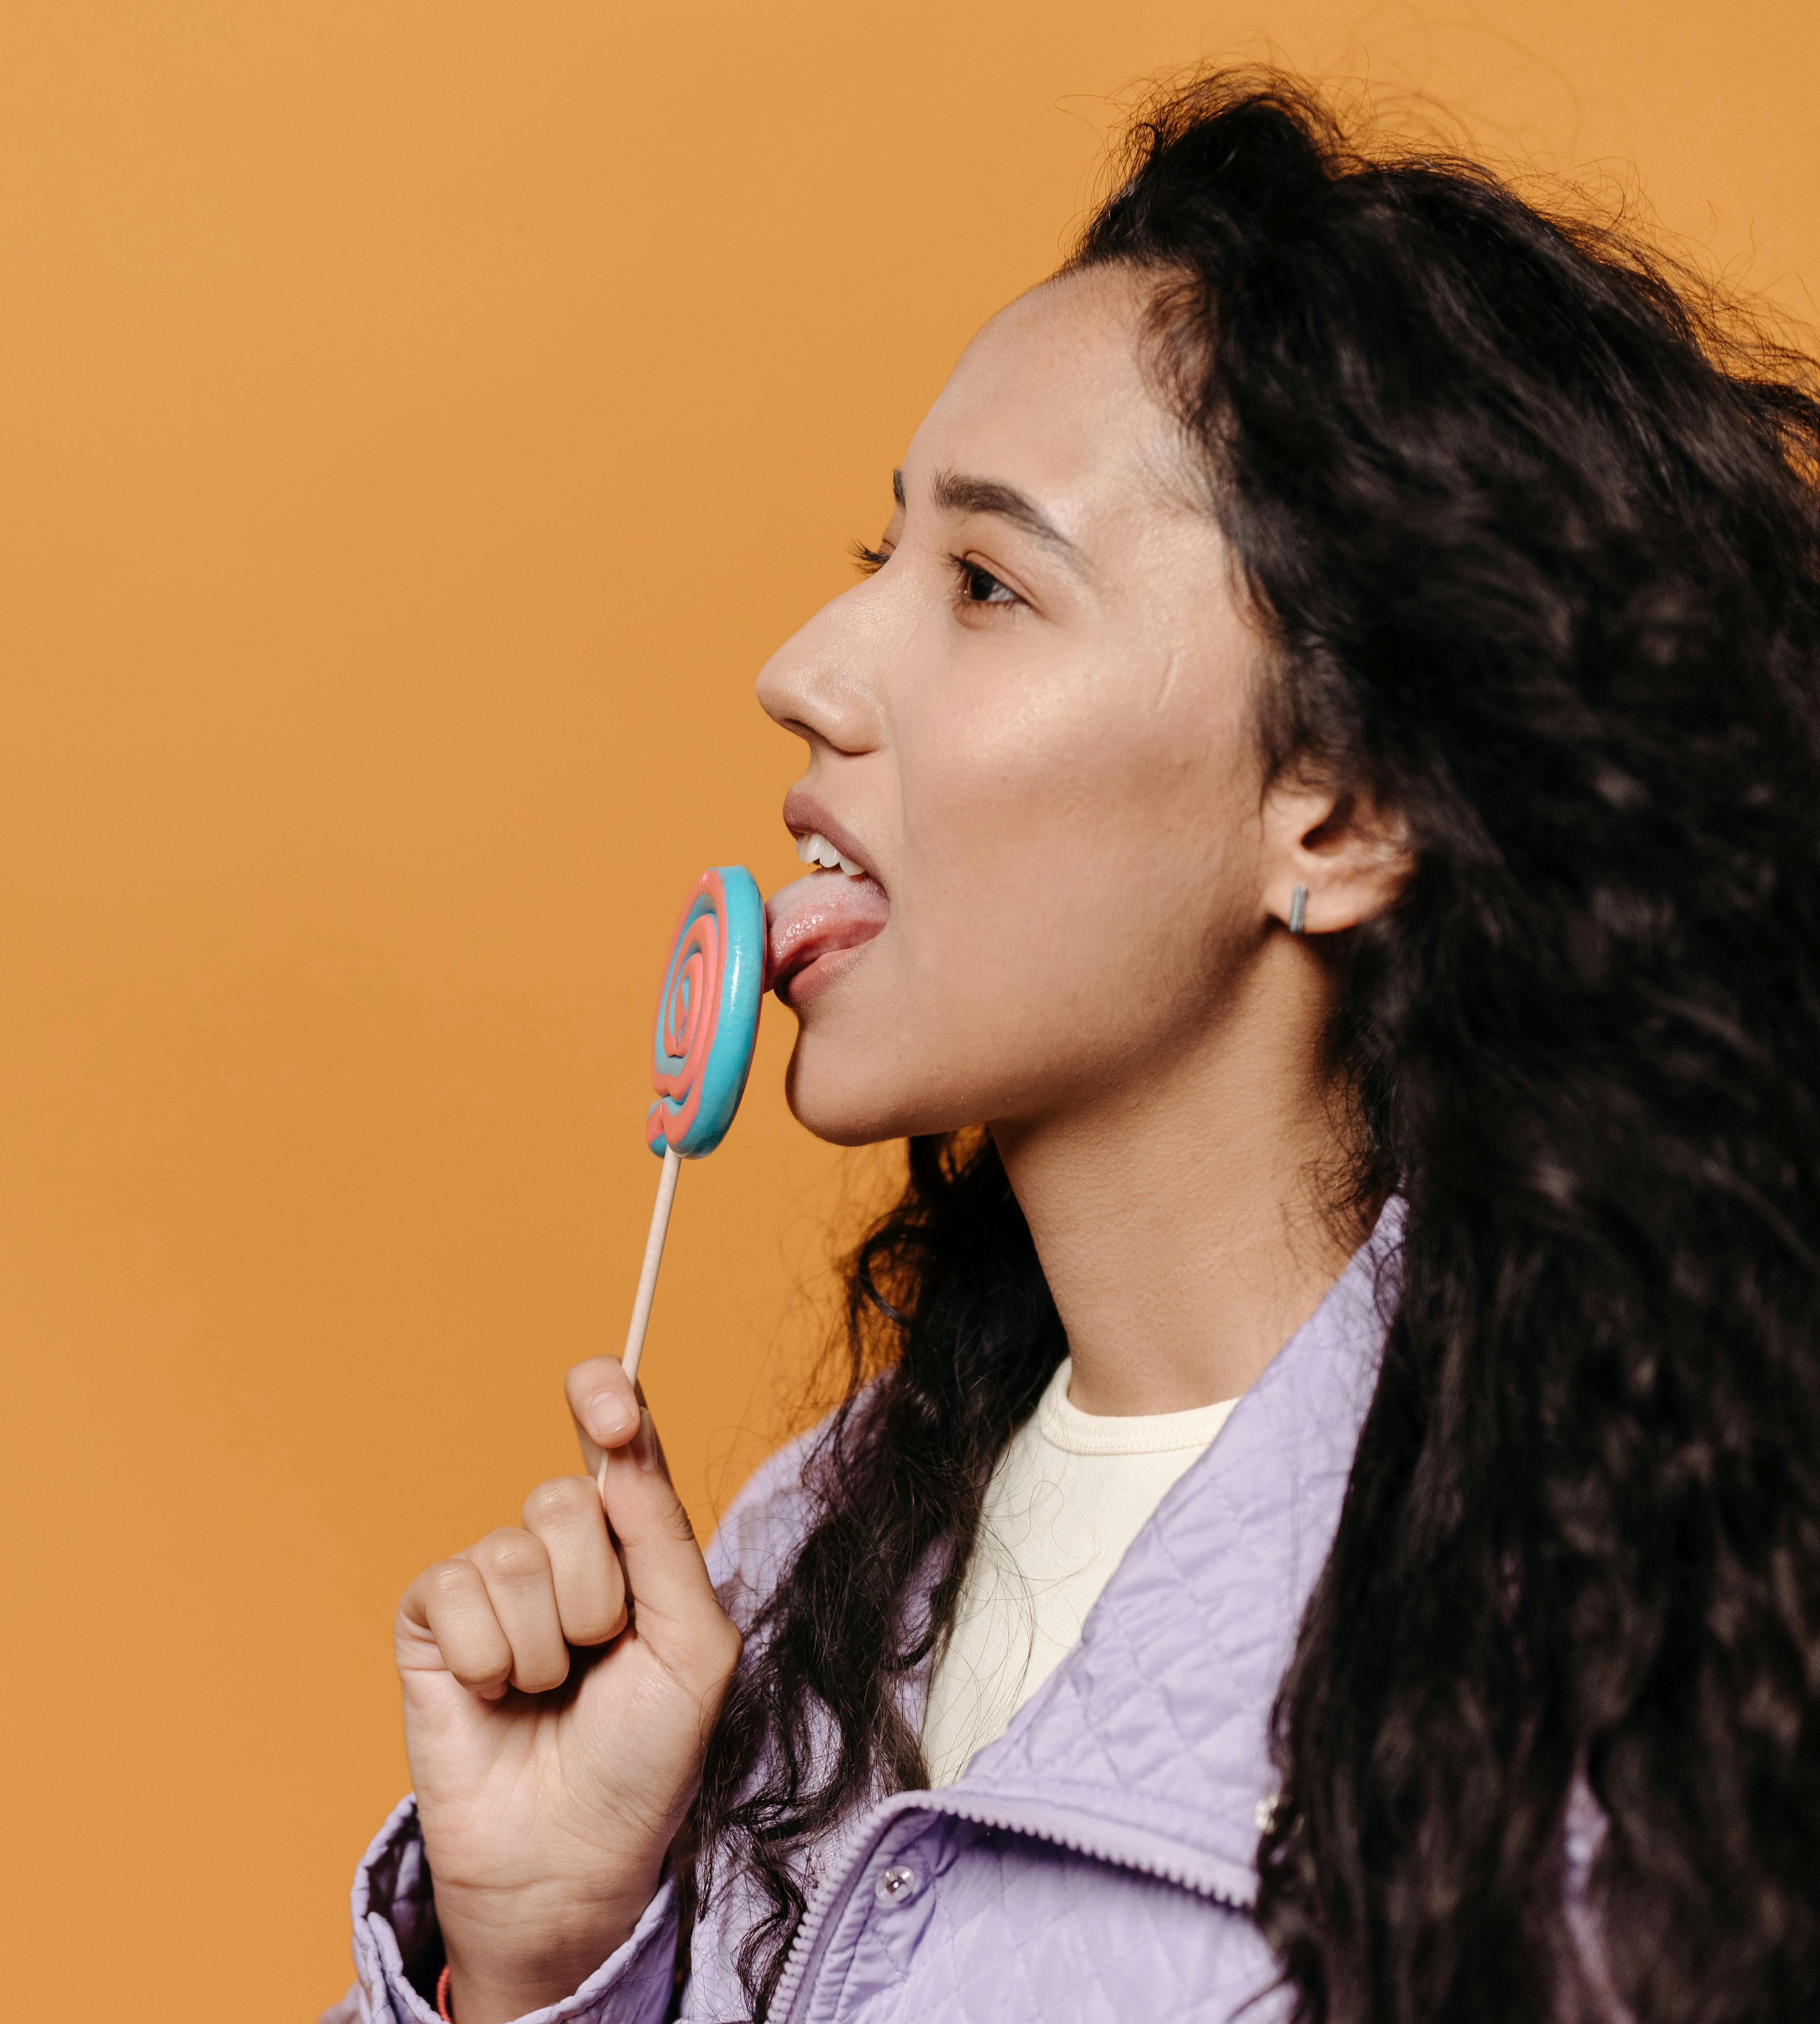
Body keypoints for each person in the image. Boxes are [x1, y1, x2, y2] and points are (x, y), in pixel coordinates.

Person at [332, 71, 1820, 2024]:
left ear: (1343, 807)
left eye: (983, 584)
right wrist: (542, 1965)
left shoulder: (1630, 1689)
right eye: (876, 555)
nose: (805, 667)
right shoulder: (790, 1576)